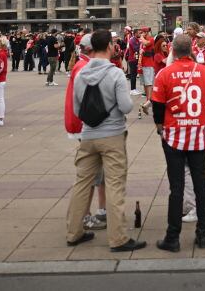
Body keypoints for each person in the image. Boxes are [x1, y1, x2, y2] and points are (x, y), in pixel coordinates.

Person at [65, 30, 144, 251]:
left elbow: (77, 108)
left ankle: (74, 232)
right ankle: (118, 238)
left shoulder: (80, 73)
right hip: (112, 136)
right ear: (110, 46)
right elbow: (126, 106)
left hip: (88, 136)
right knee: (114, 184)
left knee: (82, 183)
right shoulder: (116, 74)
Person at [151, 34, 205, 252]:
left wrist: (160, 125)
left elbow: (158, 105)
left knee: (176, 187)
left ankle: (173, 237)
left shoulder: (164, 73)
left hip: (173, 136)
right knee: (201, 184)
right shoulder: (204, 72)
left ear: (173, 51)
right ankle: (202, 233)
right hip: (197, 136)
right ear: (191, 50)